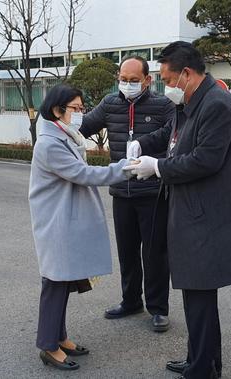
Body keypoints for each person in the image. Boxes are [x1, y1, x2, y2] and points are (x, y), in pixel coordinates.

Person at [124, 41, 231, 379]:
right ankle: (201, 360)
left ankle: (203, 369)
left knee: (201, 300)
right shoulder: (193, 101)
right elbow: (170, 134)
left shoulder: (217, 104)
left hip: (206, 221)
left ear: (187, 74)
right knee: (197, 300)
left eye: (167, 79)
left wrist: (158, 167)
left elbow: (206, 160)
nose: (166, 87)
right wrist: (143, 145)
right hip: (192, 216)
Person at [28, 84, 130, 371]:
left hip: (64, 218)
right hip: (56, 220)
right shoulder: (49, 143)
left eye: (81, 108)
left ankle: (58, 336)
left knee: (63, 280)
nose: (80, 114)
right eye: (76, 108)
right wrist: (125, 168)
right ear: (57, 110)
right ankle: (48, 346)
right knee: (55, 282)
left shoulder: (62, 135)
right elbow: (82, 174)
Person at [80, 55, 175, 332]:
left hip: (152, 191)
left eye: (134, 81)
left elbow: (175, 131)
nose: (127, 85)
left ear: (148, 80)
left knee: (155, 253)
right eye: (123, 80)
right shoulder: (110, 103)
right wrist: (60, 119)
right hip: (122, 191)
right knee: (127, 251)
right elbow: (83, 127)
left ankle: (158, 309)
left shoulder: (163, 105)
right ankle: (131, 300)